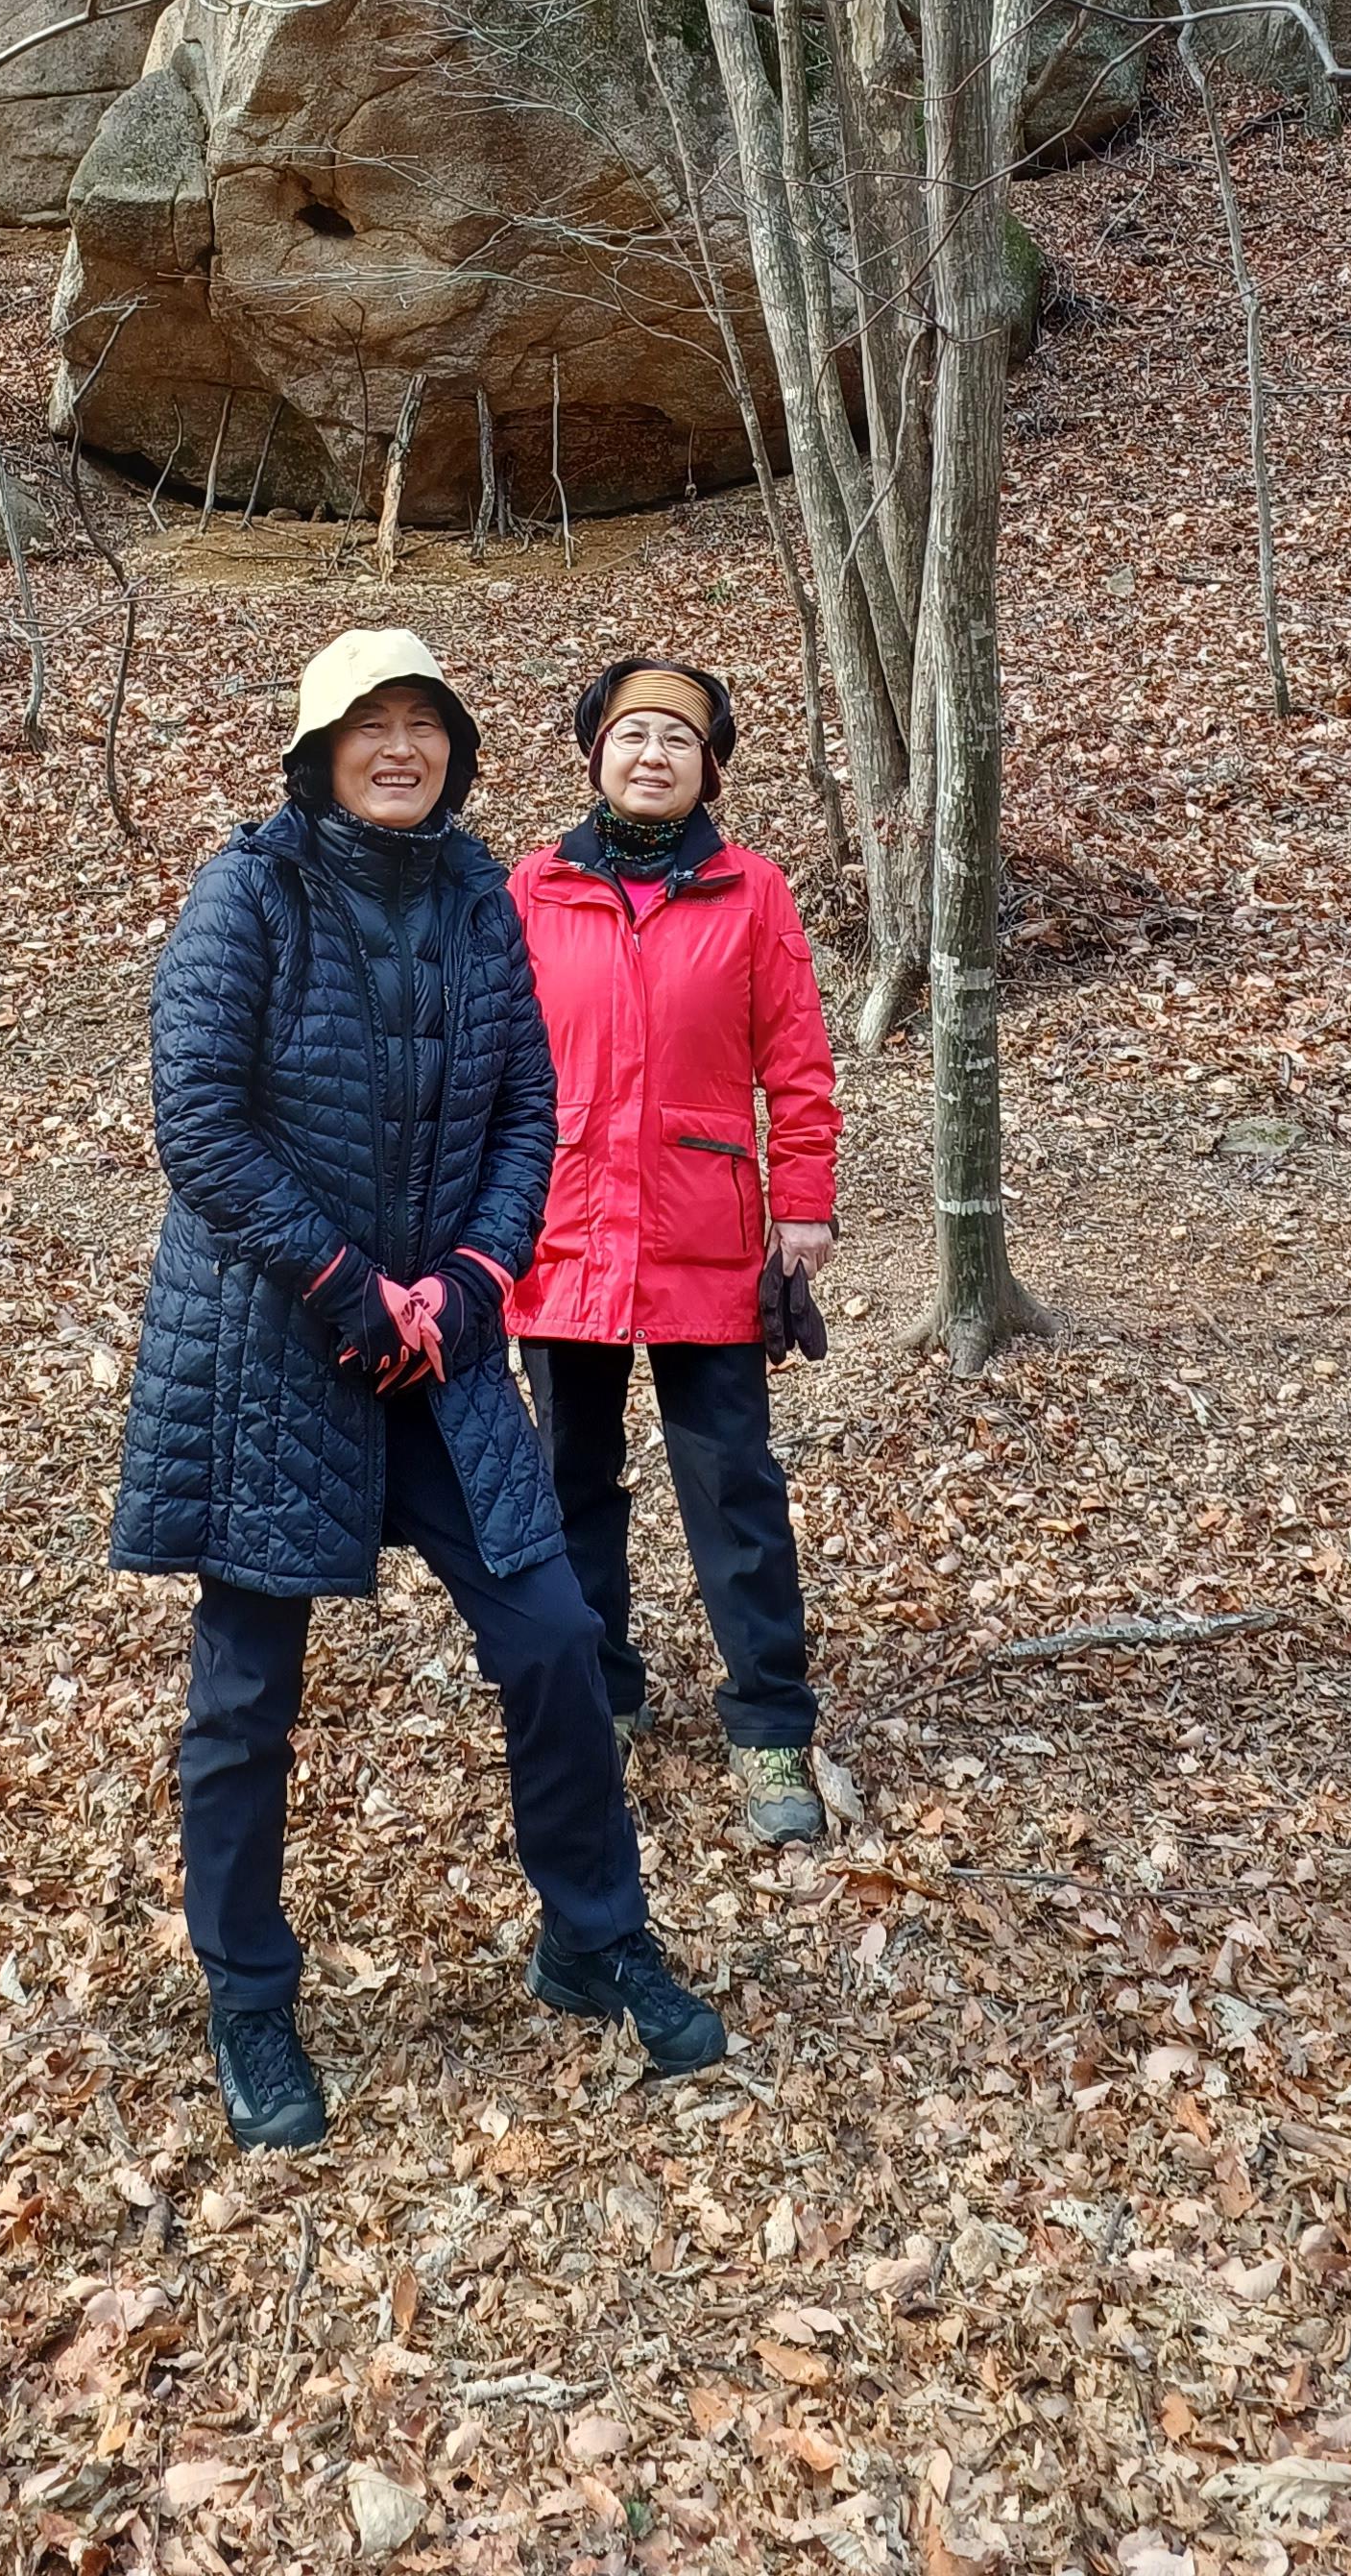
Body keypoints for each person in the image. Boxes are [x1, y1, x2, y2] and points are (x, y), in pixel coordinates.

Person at [112, 625, 727, 2151]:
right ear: (319, 747)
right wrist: (344, 1283)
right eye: (370, 723)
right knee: (247, 1693)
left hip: (438, 1349)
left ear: (454, 747)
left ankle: (593, 1935)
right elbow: (200, 1121)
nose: (400, 747)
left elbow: (528, 1106)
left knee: (554, 1634)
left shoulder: (474, 895)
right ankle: (249, 1996)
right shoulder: (249, 892)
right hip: (275, 1346)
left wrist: (466, 1282)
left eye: (424, 723)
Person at [508, 660, 842, 1849]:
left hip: (707, 1230)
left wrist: (804, 1203)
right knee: (569, 1481)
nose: (653, 755)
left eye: (678, 740)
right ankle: (597, 1695)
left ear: (712, 766)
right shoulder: (533, 889)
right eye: (632, 734)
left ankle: (770, 1726)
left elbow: (797, 1062)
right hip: (562, 1231)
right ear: (594, 751)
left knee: (733, 1485)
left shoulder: (754, 891)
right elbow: (487, 1067)